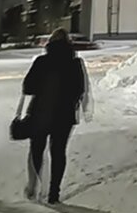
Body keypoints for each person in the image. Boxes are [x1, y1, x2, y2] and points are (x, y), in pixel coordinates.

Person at [19, 28, 91, 204]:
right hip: (64, 116)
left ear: (50, 43)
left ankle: (34, 187)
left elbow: (28, 87)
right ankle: (53, 193)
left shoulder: (42, 61)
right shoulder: (75, 63)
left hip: (40, 113)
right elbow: (80, 90)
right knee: (58, 153)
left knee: (37, 150)